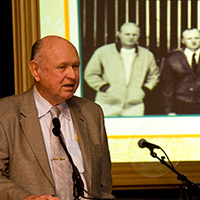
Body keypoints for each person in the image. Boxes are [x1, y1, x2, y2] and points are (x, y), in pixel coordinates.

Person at [0, 36, 114, 200]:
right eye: (62, 67)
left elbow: (103, 186)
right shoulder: (6, 113)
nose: (72, 75)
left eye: (75, 66)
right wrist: (26, 198)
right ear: (36, 70)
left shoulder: (91, 113)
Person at [84, 22, 160, 116]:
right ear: (119, 34)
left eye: (134, 34)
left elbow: (154, 76)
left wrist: (143, 90)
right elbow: (90, 74)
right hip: (107, 103)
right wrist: (106, 88)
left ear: (139, 35)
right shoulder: (103, 52)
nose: (131, 37)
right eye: (127, 34)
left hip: (134, 105)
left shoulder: (147, 55)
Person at [161, 28, 200, 115]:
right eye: (189, 38)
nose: (193, 41)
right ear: (183, 41)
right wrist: (170, 110)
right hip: (181, 104)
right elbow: (168, 86)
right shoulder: (172, 58)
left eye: (197, 38)